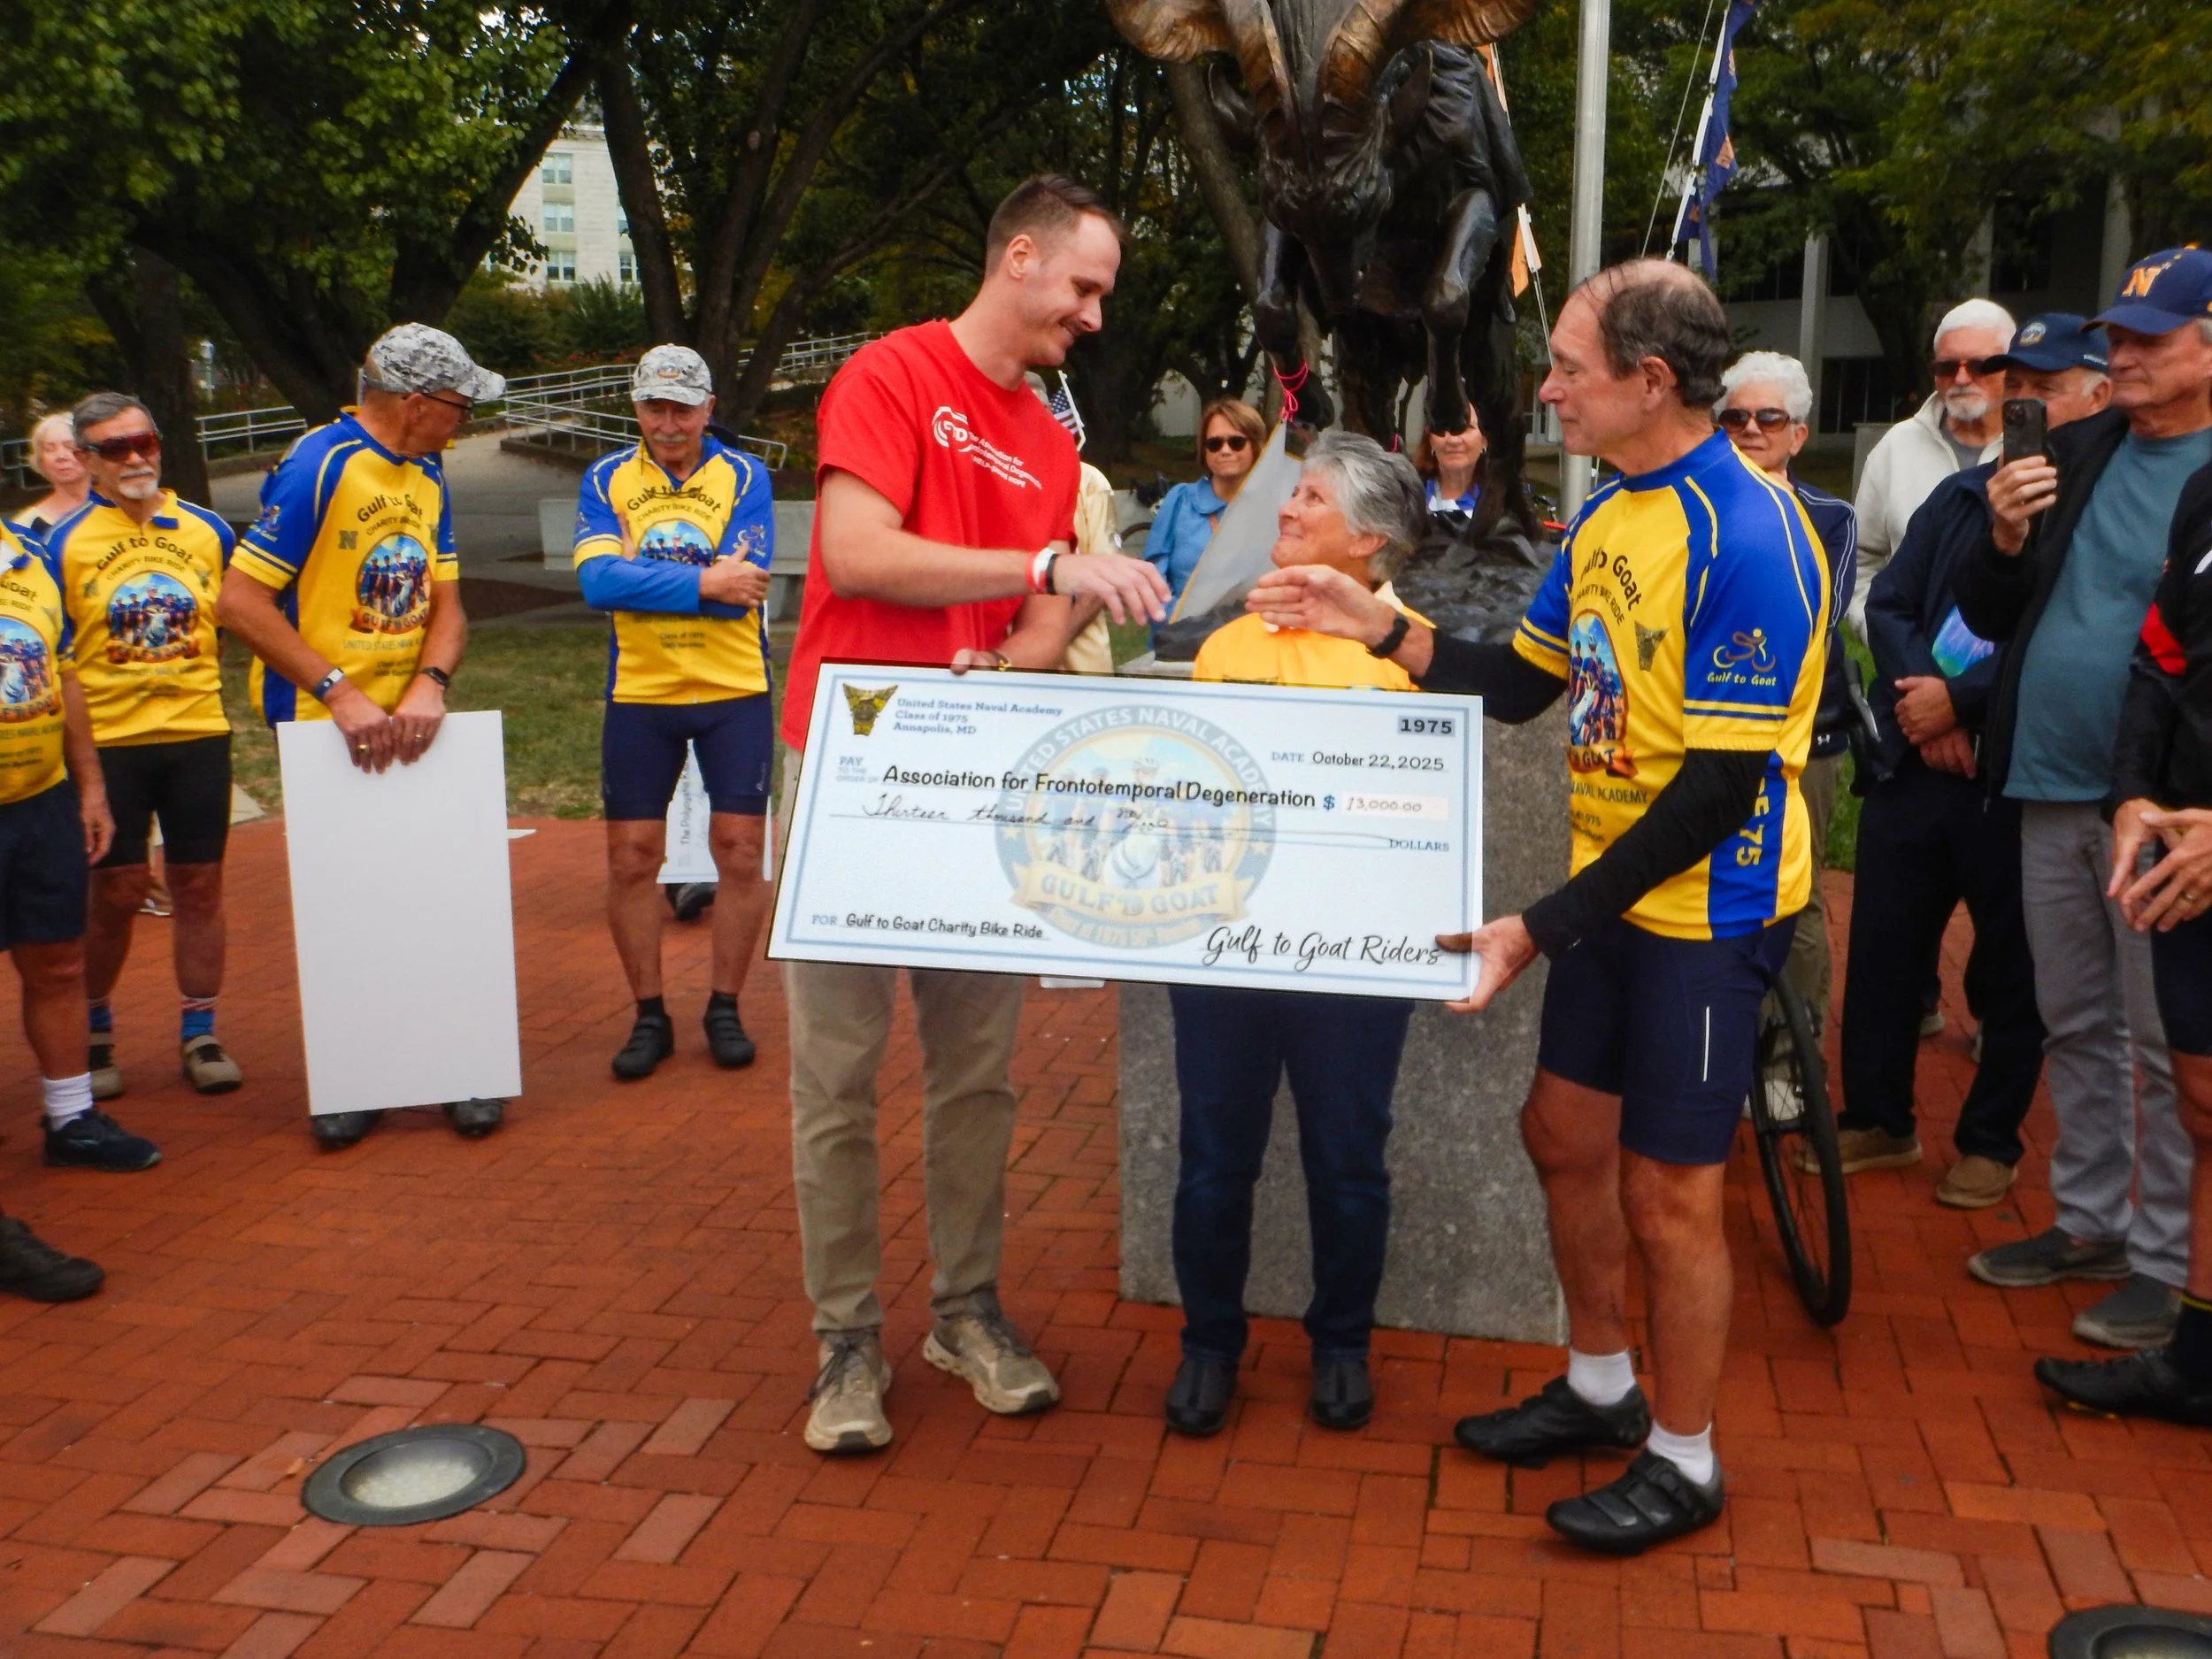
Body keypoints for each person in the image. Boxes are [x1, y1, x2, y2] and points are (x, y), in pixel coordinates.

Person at [1248, 258, 1828, 1554]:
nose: (1547, 388)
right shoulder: (1613, 512)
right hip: (1617, 903)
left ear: (1651, 381)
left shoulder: (1749, 536)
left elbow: (1721, 792)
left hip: (1709, 911)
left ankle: (1686, 1459)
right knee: (1563, 1135)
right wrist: (1372, 621)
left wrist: (1539, 923)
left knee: (1671, 1193)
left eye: (1570, 366)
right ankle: (1603, 1385)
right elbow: (1515, 684)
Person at [781, 175, 1169, 1455]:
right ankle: (846, 1340)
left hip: (973, 775)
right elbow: (855, 552)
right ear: (1019, 257)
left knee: (978, 1074)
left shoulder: (1053, 441)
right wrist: (1043, 569)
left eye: (1101, 294)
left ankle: (966, 1310)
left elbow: (1045, 616)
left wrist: (1022, 648)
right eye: (1084, 286)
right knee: (836, 1075)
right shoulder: (891, 375)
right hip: (852, 768)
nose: (1094, 315)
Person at [1953, 250, 2212, 1350]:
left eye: (2151, 337)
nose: (2123, 355)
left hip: (2163, 806)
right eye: (2118, 335)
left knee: (2169, 1043)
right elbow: (1988, 606)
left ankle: (2167, 1261)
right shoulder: (2078, 446)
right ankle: (2092, 1220)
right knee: (2077, 1024)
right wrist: (2004, 534)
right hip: (2049, 781)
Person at [1164, 432, 1427, 1440]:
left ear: (1366, 540)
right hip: (1226, 951)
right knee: (1211, 1157)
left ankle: (1342, 1345)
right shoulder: (1229, 645)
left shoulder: (1408, 650)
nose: (1282, 507)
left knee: (1348, 1156)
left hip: (1352, 964)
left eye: (1306, 498)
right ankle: (1208, 1344)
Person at [1835, 316, 2109, 1205]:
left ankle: (1990, 1141)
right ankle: (1877, 1120)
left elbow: (2072, 643)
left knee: (2013, 972)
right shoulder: (1962, 499)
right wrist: (1925, 699)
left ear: (2098, 397)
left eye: (2045, 387)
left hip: (2013, 777)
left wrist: (1967, 701)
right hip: (1918, 767)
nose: (2021, 400)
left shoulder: (2100, 513)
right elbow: (1893, 604)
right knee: (1880, 952)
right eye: (2014, 385)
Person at [216, 322, 507, 1152]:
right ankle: (358, 1075)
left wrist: (431, 682)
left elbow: (447, 603)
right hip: (324, 725)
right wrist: (337, 691)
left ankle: (460, 1064)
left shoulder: (428, 470)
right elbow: (240, 601)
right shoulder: (319, 465)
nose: (466, 419)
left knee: (441, 898)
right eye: (458, 405)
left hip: (417, 723)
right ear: (416, 403)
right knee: (350, 909)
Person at [2035, 451, 2212, 1425]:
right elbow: (2160, 657)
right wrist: (2135, 791)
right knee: (2201, 1105)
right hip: (2184, 852)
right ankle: (2195, 1358)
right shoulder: (2203, 493)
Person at [574, 346, 774, 1079]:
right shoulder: (606, 478)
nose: (669, 423)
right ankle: (648, 1013)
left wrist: (642, 576)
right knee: (630, 858)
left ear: (708, 408)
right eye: (655, 407)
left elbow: (744, 586)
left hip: (733, 688)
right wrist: (700, 581)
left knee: (741, 851)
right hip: (642, 692)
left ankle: (725, 1005)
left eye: (683, 407)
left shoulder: (745, 476)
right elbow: (596, 581)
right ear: (636, 407)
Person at [44, 394, 243, 1102]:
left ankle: (201, 1030)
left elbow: (248, 612)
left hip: (196, 731)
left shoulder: (208, 530)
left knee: (198, 885)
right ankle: (96, 1028)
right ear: (88, 461)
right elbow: (53, 655)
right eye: (115, 448)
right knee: (119, 891)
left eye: (144, 441)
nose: (136, 458)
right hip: (111, 741)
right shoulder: (63, 542)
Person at [0, 511, 158, 1179]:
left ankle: (72, 1118)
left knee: (59, 963)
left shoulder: (30, 555)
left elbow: (66, 678)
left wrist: (91, 787)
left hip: (41, 802)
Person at [1714, 352, 1855, 1051]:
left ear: (1798, 433)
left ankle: (1788, 1066)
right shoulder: (1696, 508)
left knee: (1793, 901)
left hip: (1801, 742)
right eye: (1733, 416)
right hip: (1707, 735)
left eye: (1767, 417)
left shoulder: (1829, 518)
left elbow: (1811, 631)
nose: (1748, 429)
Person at [1853, 299, 2015, 634]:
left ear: (2012, 369)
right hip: (1906, 667)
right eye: (1946, 367)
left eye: (1980, 366)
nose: (1961, 377)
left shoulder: (2041, 449)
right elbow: (1859, 562)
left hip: (2005, 671)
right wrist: (1883, 636)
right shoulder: (1895, 448)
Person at [1143, 398, 1264, 611]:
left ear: (1254, 445)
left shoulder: (1277, 506)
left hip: (1256, 636)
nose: (1225, 451)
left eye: (1236, 442)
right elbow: (1153, 579)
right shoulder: (1180, 500)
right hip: (1187, 635)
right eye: (1214, 444)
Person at [12, 414, 91, 536]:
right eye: (49, 449)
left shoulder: (121, 504)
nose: (61, 456)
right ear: (40, 460)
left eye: (70, 447)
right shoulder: (25, 527)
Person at [1413, 420, 1485, 536]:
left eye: (1466, 427)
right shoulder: (1407, 497)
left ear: (1485, 439)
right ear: (1430, 437)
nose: (1453, 440)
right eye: (1442, 427)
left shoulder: (1511, 501)